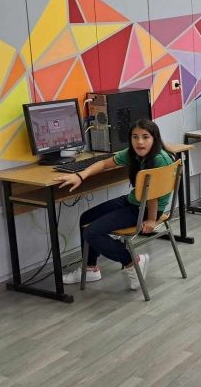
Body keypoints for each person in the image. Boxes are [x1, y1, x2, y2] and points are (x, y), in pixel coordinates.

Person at [58, 119, 174, 290]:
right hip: (135, 201)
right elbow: (104, 163)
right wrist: (80, 176)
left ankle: (132, 261)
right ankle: (90, 269)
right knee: (86, 219)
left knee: (92, 232)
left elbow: (153, 195)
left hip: (148, 208)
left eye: (145, 137)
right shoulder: (134, 153)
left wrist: (151, 220)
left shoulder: (159, 159)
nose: (139, 142)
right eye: (135, 137)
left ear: (154, 138)